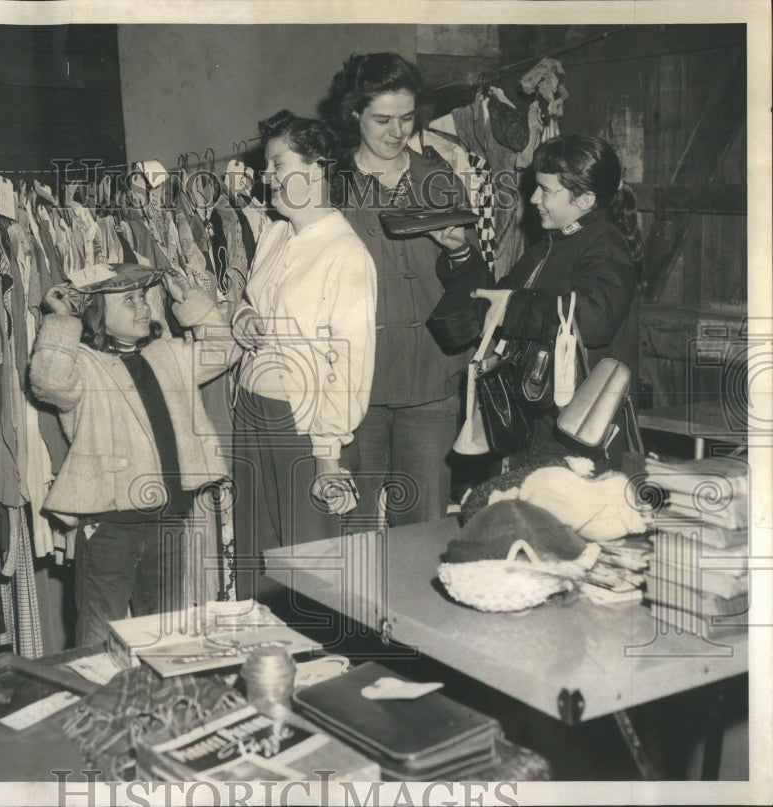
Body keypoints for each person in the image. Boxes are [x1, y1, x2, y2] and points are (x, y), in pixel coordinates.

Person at [29, 264, 235, 646]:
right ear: (98, 314)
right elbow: (49, 382)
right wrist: (61, 320)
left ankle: (158, 700)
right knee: (98, 634)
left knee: (165, 633)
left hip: (169, 518)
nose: (143, 307)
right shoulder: (84, 365)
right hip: (109, 525)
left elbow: (224, 350)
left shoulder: (168, 355)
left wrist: (188, 298)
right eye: (128, 300)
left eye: (143, 297)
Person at [322, 52, 480, 527]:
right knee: (352, 527)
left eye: (407, 118)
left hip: (430, 376)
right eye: (383, 119)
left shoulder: (437, 177)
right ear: (355, 115)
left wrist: (458, 253)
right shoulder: (330, 185)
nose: (397, 132)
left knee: (424, 525)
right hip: (355, 382)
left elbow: (473, 281)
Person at [231, 110, 378, 602]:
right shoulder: (275, 232)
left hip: (303, 423)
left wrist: (327, 454)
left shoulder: (346, 253)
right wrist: (243, 317)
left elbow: (350, 364)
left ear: (315, 169)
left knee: (311, 562)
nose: (265, 176)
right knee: (260, 558)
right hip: (253, 412)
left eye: (276, 164)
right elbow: (256, 303)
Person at [467, 134, 643, 465]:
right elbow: (496, 301)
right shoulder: (548, 246)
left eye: (546, 190)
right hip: (536, 426)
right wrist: (461, 256)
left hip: (574, 437)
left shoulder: (603, 244)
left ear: (585, 198)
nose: (533, 198)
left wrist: (513, 306)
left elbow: (594, 320)